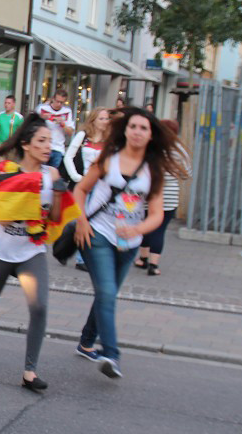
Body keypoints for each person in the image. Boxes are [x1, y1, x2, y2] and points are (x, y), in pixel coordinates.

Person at [73, 107, 189, 378]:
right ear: (125, 130)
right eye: (133, 126)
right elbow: (80, 189)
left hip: (130, 243)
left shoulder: (153, 170)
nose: (137, 132)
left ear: (151, 135)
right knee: (106, 293)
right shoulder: (108, 159)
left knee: (107, 293)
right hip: (98, 234)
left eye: (143, 128)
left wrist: (137, 228)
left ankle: (86, 341)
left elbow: (158, 214)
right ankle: (111, 354)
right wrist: (81, 221)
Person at [0, 113, 69, 392]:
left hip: (31, 252)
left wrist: (58, 194)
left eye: (51, 141)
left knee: (40, 307)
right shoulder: (4, 170)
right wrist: (31, 196)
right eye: (42, 141)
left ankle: (30, 372)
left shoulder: (53, 174)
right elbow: (1, 217)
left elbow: (56, 217)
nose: (48, 146)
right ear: (26, 144)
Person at [135, 119, 189, 276]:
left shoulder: (151, 147)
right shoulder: (179, 150)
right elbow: (187, 174)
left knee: (146, 225)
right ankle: (153, 264)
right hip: (170, 195)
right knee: (160, 230)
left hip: (149, 192)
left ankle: (143, 258)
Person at [62, 107, 112, 272]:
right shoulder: (83, 136)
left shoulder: (110, 139)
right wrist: (77, 177)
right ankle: (80, 258)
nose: (105, 121)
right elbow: (68, 156)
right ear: (93, 120)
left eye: (106, 118)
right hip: (86, 185)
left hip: (102, 185)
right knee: (83, 220)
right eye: (102, 118)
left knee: (96, 222)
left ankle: (87, 257)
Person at [36, 88, 74, 168]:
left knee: (53, 174)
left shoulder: (67, 111)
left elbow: (70, 132)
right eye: (57, 101)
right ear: (53, 99)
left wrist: (63, 124)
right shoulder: (42, 108)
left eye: (62, 102)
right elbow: (33, 124)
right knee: (40, 172)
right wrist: (42, 118)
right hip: (43, 146)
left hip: (58, 148)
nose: (59, 104)